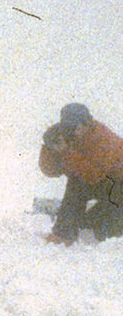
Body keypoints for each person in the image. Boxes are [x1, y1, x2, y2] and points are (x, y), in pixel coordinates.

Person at [39, 103, 123, 245]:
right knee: (77, 184)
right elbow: (51, 172)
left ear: (87, 123)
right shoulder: (67, 136)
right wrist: (50, 150)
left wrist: (66, 152)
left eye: (77, 126)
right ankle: (64, 233)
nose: (75, 131)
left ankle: (72, 231)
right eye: (70, 127)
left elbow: (94, 175)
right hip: (106, 187)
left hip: (117, 185)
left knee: (106, 233)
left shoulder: (102, 139)